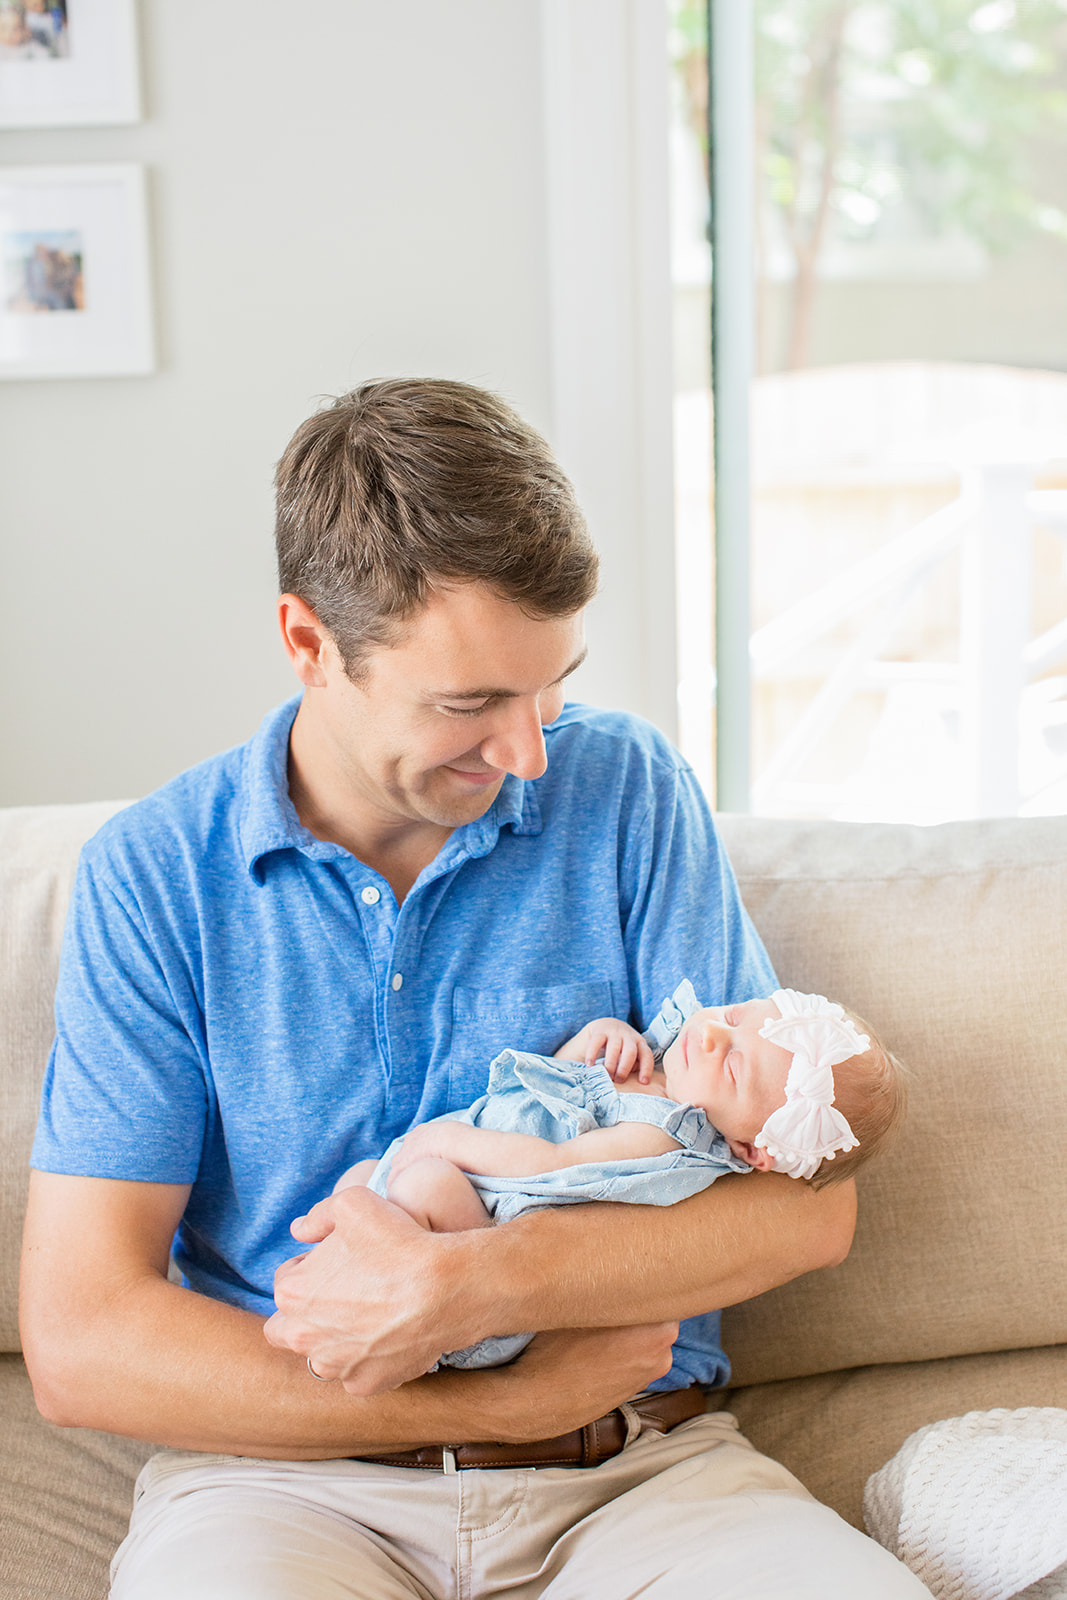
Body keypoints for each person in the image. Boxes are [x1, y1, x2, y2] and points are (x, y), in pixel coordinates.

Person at [21, 378, 929, 1598]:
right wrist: (496, 1398)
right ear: (308, 644)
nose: (528, 752)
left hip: (634, 1470)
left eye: (549, 686)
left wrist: (472, 1285)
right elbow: (82, 1340)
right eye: (470, 703)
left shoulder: (624, 789)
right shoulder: (156, 877)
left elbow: (804, 1211)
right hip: (283, 1486)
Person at [340, 981, 905, 1376]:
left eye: (733, 1066)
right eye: (735, 1017)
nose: (711, 1034)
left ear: (751, 1149)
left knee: (423, 1185)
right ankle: (341, 1294)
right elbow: (549, 1097)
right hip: (454, 1204)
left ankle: (395, 1333)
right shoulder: (659, 1069)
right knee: (358, 1185)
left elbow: (554, 1163)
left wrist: (450, 1142)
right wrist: (595, 1040)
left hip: (473, 1292)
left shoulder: (661, 1138)